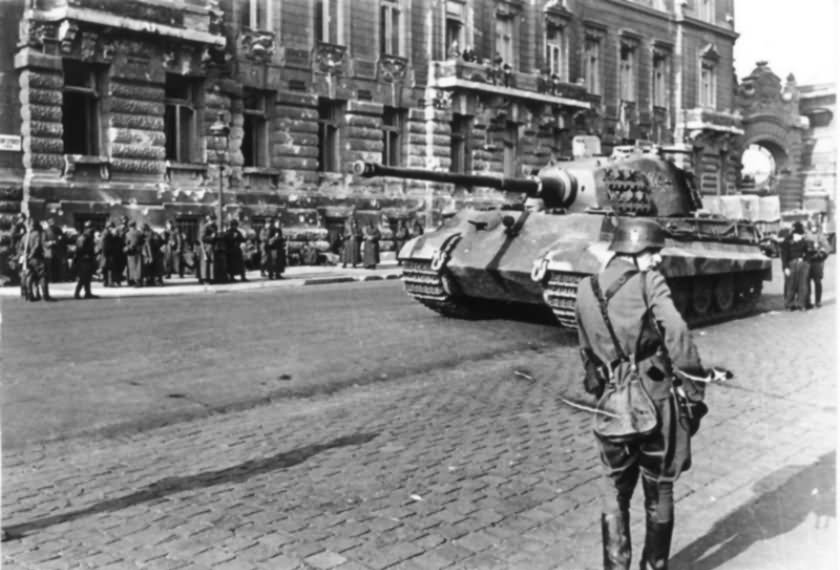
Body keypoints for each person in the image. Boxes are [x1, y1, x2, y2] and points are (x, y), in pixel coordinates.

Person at [575, 218, 708, 570]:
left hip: (610, 405)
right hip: (655, 399)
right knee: (660, 485)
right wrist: (694, 390)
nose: (657, 259)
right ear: (634, 251)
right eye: (652, 252)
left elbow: (586, 354)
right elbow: (677, 332)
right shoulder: (649, 282)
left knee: (613, 489)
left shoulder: (585, 288)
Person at [780, 221, 812, 311]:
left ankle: (801, 304)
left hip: (802, 265)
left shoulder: (803, 242)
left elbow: (808, 253)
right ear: (795, 234)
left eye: (802, 235)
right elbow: (784, 257)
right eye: (800, 235)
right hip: (791, 265)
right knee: (791, 285)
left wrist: (807, 262)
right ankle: (789, 304)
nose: (802, 237)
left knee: (803, 286)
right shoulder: (786, 242)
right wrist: (785, 268)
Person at [24, 217, 53, 301]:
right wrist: (32, 254)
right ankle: (45, 295)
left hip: (28, 259)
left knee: (30, 277)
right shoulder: (38, 234)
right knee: (42, 276)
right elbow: (37, 246)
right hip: (37, 258)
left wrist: (27, 256)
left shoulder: (26, 235)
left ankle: (30, 295)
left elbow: (21, 247)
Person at [805, 221, 830, 309]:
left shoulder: (821, 236)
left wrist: (822, 254)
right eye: (812, 226)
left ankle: (818, 301)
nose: (813, 228)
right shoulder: (806, 236)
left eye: (815, 226)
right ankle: (807, 301)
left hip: (817, 262)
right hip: (807, 261)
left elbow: (827, 248)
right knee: (806, 282)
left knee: (817, 282)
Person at [73, 221, 98, 299]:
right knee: (83, 277)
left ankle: (88, 293)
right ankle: (77, 293)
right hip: (83, 260)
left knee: (87, 277)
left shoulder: (88, 237)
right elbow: (79, 250)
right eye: (91, 228)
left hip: (88, 260)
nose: (92, 230)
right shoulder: (83, 237)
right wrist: (85, 255)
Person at [124, 220, 144, 287]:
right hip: (138, 252)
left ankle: (134, 281)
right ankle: (139, 281)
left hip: (131, 253)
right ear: (135, 225)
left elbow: (127, 243)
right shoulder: (139, 233)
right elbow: (142, 242)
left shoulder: (128, 234)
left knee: (132, 267)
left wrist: (128, 248)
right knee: (138, 267)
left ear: (129, 226)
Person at [199, 215, 217, 284]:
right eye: (212, 220)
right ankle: (205, 279)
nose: (213, 221)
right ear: (209, 220)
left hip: (212, 246)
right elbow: (202, 238)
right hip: (206, 246)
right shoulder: (205, 227)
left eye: (214, 220)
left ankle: (211, 278)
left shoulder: (214, 227)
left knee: (212, 262)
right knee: (205, 263)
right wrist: (211, 237)